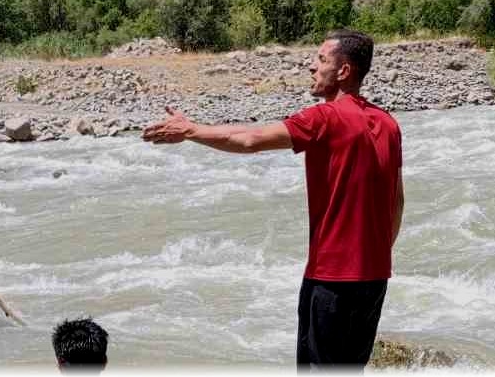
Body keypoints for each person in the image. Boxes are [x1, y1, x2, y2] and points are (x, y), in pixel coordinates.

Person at [143, 29, 404, 370]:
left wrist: (191, 130)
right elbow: (397, 202)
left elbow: (250, 139)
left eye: (321, 60)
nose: (312, 66)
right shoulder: (388, 124)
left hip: (331, 281)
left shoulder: (324, 117)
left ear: (344, 71)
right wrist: (376, 257)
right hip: (374, 279)